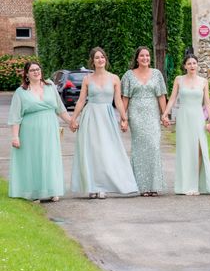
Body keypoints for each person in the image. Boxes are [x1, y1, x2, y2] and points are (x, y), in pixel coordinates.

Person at [69, 47, 138, 199]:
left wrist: (123, 118)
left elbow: (118, 100)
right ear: (92, 61)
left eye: (102, 57)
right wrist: (73, 118)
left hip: (107, 117)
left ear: (105, 60)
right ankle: (92, 185)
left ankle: (104, 186)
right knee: (92, 151)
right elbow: (81, 100)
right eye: (97, 58)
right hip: (90, 116)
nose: (100, 60)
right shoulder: (87, 79)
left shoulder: (114, 78)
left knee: (106, 150)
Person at [8, 61, 73, 202]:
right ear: (26, 74)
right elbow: (15, 117)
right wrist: (15, 136)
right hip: (29, 131)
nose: (36, 72)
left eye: (38, 69)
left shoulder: (50, 86)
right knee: (33, 159)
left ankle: (52, 189)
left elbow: (60, 109)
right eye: (32, 70)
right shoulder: (21, 92)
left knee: (50, 158)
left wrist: (71, 122)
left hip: (50, 128)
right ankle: (34, 192)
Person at [162, 54, 210, 195]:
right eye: (189, 63)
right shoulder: (179, 80)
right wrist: (165, 113)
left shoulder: (203, 81)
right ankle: (184, 185)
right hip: (184, 117)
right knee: (185, 150)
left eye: (194, 63)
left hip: (197, 117)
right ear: (185, 66)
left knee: (198, 150)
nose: (192, 66)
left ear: (197, 65)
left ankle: (195, 184)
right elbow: (172, 98)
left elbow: (208, 102)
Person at [121, 46, 168, 196]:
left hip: (153, 115)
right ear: (137, 58)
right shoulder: (129, 75)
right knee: (139, 149)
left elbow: (161, 96)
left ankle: (154, 185)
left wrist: (164, 115)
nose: (145, 58)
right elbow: (125, 98)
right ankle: (142, 186)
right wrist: (124, 118)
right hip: (136, 115)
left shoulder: (157, 74)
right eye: (142, 56)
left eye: (147, 56)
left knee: (154, 147)